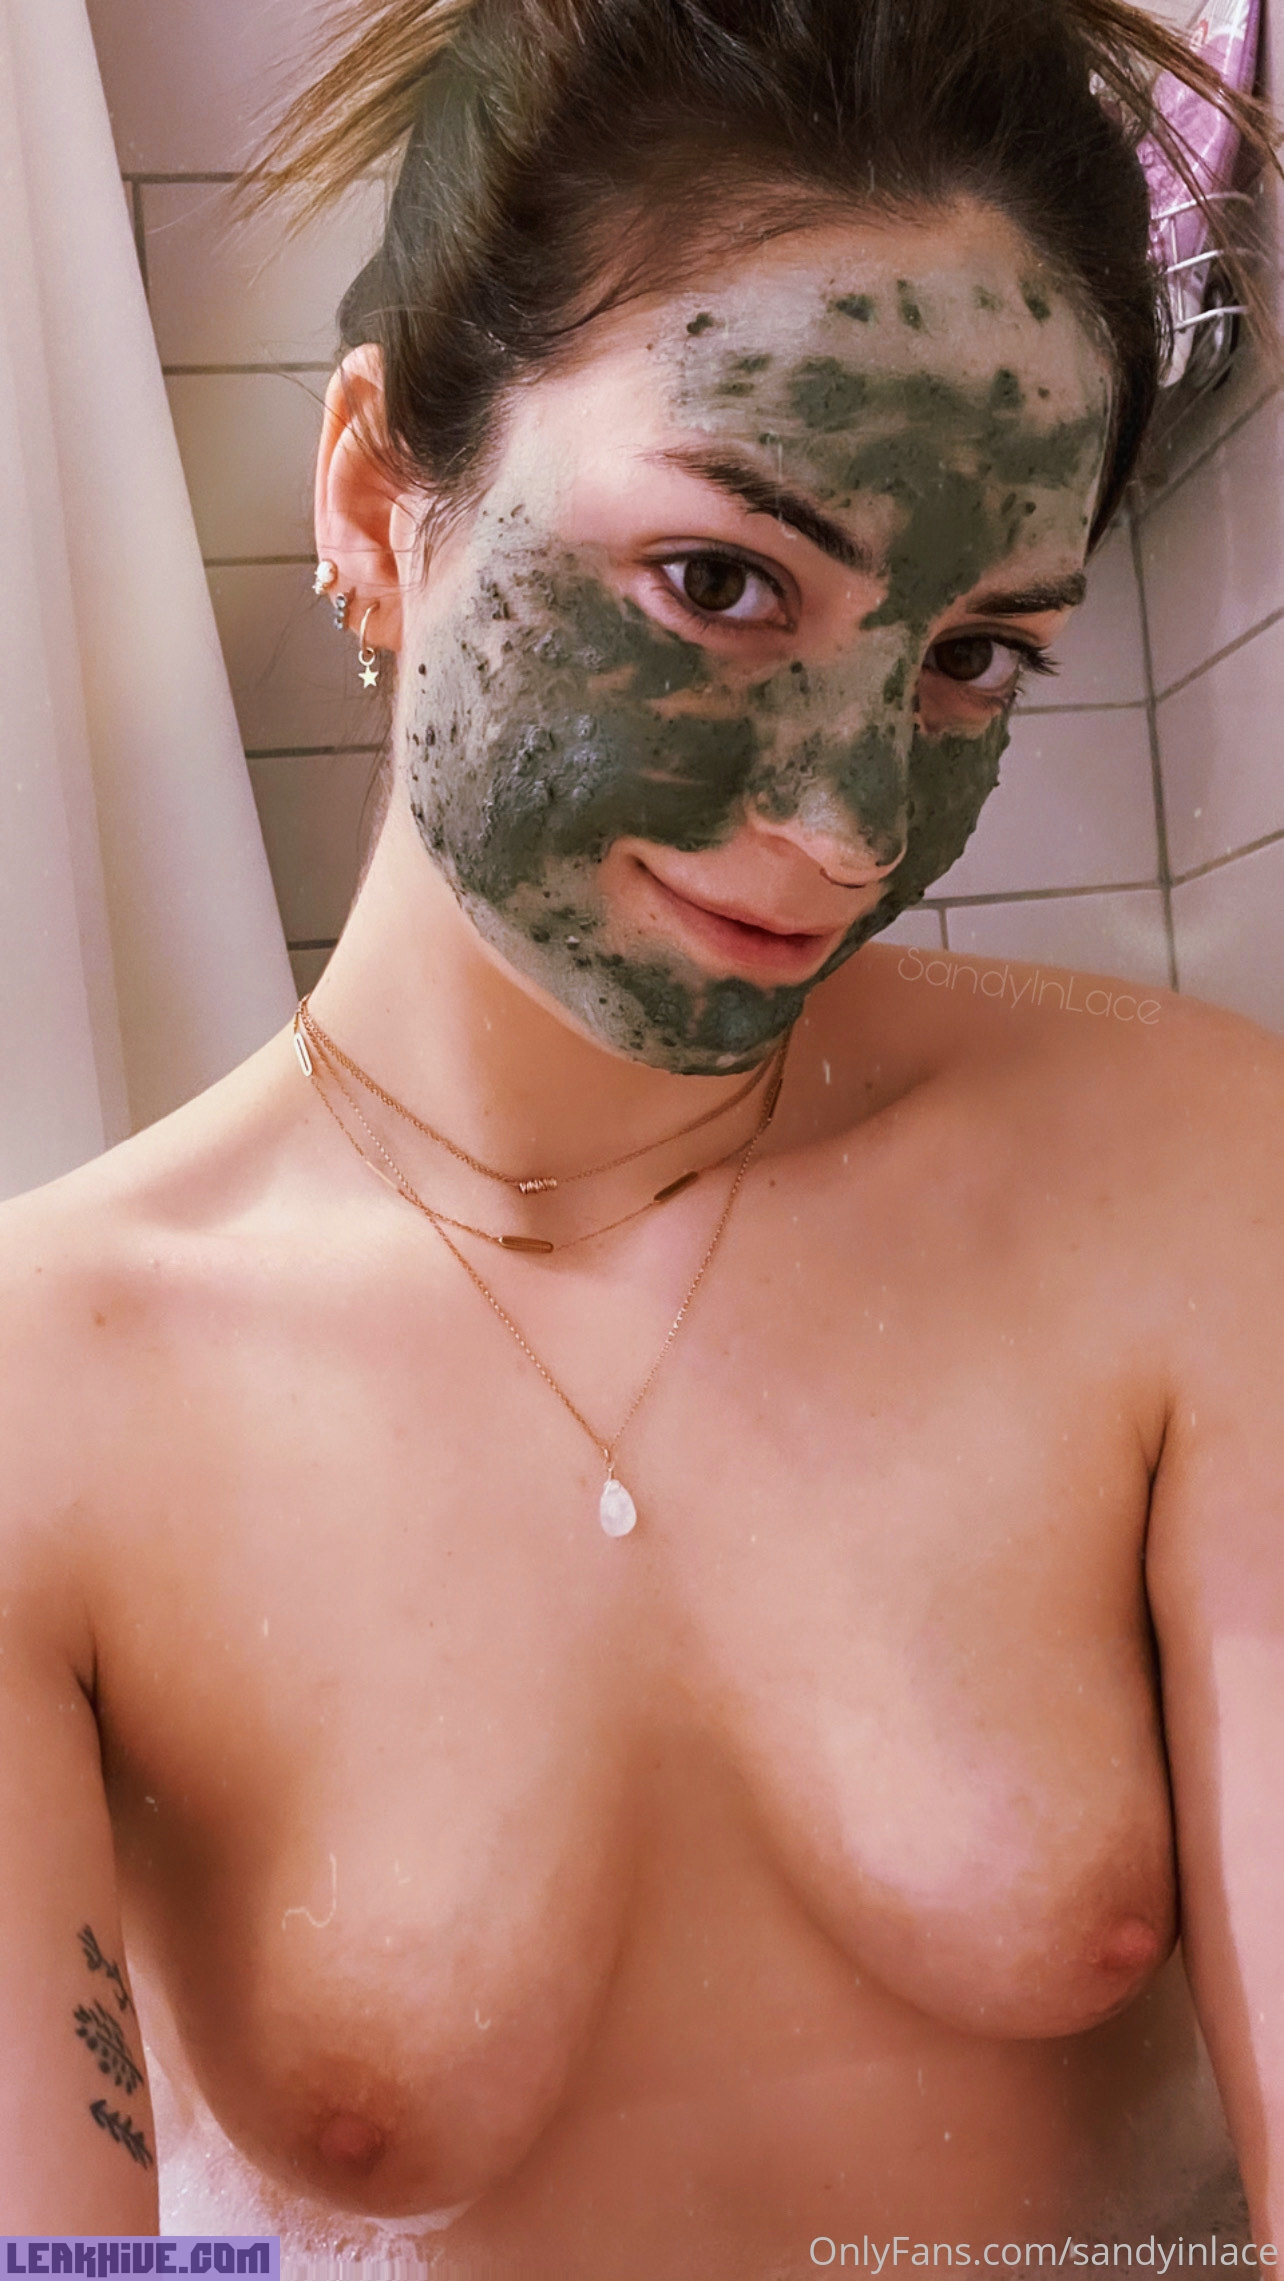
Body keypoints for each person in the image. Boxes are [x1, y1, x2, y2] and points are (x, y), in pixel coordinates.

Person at [2, 0, 1282, 2266]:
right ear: (376, 500)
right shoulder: (47, 1390)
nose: (848, 824)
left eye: (972, 656)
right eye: (719, 582)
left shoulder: (1206, 1182)